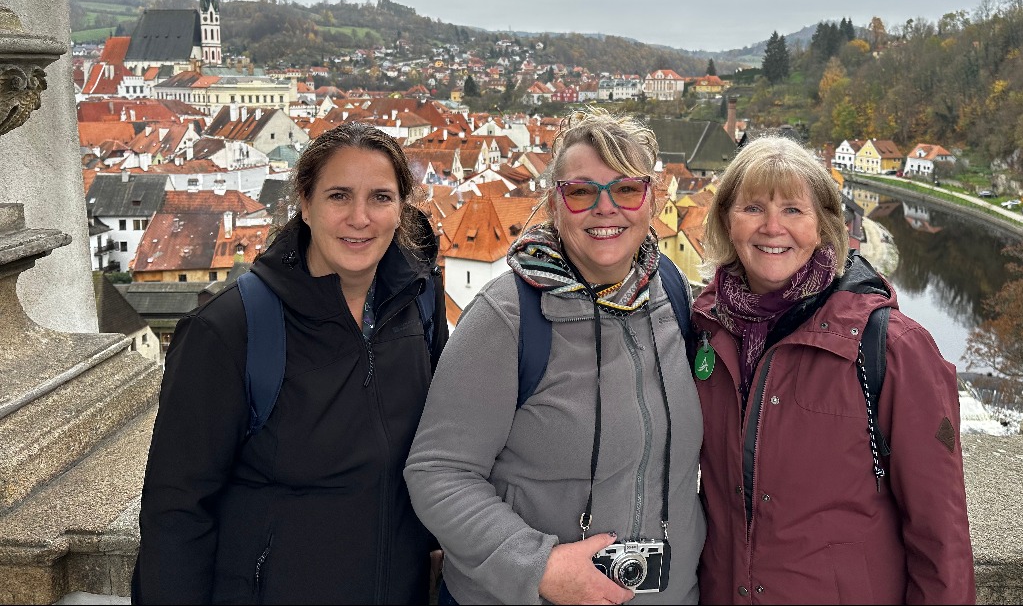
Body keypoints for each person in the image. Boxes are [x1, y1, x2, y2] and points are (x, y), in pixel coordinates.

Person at [131, 121, 447, 604]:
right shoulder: (231, 329)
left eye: (380, 198)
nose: (360, 218)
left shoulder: (419, 303)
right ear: (305, 201)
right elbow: (176, 512)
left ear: (401, 207)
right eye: (339, 196)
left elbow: (440, 451)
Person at [404, 108, 706, 605]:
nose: (606, 208)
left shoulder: (670, 293)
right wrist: (538, 567)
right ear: (553, 203)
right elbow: (438, 472)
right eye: (582, 192)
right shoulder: (510, 316)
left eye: (626, 189)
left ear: (651, 199)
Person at [692, 133, 975, 604]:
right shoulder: (707, 328)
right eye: (753, 208)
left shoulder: (893, 347)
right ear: (726, 220)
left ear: (824, 225)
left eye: (793, 210)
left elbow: (941, 538)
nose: (772, 227)